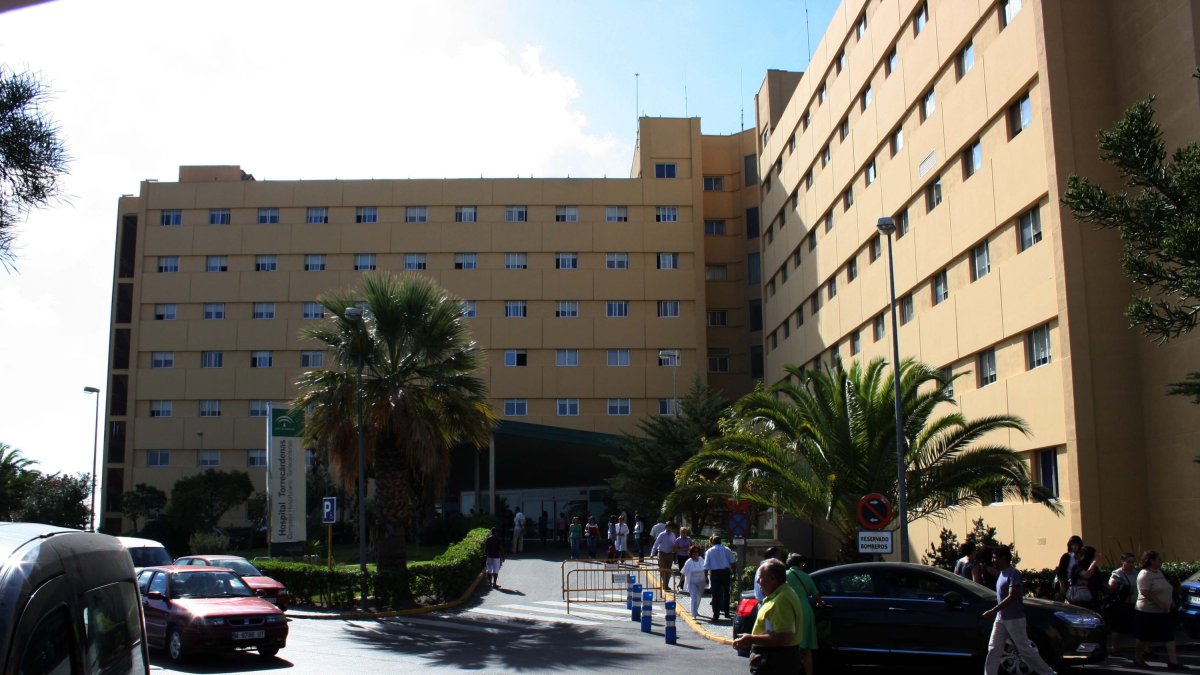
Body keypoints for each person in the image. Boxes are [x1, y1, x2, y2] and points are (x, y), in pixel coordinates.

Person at [982, 546, 1056, 675]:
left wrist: (993, 610)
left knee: (1024, 649)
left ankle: (1047, 673)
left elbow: (1012, 596)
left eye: (995, 557)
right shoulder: (1001, 573)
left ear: (1003, 558)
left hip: (1014, 618)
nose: (993, 560)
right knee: (994, 648)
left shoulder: (1014, 573)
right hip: (1001, 618)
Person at [732, 559, 803, 674]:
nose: (758, 582)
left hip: (776, 661)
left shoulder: (781, 600)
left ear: (772, 579)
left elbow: (784, 637)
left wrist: (750, 639)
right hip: (775, 659)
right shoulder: (780, 594)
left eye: (760, 577)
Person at [1134, 549, 1188, 670]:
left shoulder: (1158, 572)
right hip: (1147, 611)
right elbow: (1144, 591)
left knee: (1169, 636)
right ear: (1151, 561)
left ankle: (1173, 662)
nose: (1161, 561)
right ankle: (1138, 658)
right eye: (1159, 559)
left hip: (1164, 611)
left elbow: (1165, 589)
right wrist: (1160, 603)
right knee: (1143, 636)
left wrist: (1171, 602)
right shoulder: (1144, 574)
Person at [785, 553, 822, 675]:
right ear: (800, 564)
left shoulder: (784, 576)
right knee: (806, 649)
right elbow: (817, 597)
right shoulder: (806, 577)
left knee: (790, 646)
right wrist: (820, 603)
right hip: (805, 611)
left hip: (788, 611)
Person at [1105, 552, 1138, 658]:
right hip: (1121, 604)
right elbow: (1111, 585)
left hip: (1134, 603)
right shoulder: (1117, 573)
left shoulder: (1136, 573)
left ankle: (1144, 650)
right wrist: (1123, 588)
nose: (1131, 564)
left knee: (1138, 627)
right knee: (1117, 627)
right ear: (1122, 562)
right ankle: (1115, 648)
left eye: (1133, 562)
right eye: (1128, 562)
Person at [704, 535, 736, 621]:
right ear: (720, 542)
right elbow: (733, 562)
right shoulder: (727, 550)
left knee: (715, 595)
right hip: (725, 573)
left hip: (714, 574)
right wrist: (734, 574)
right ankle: (727, 613)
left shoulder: (709, 551)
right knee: (726, 593)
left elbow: (706, 565)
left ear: (712, 542)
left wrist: (705, 577)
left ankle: (716, 615)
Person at [1066, 545, 1102, 610]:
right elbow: (1086, 575)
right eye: (1094, 556)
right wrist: (1095, 562)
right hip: (1080, 599)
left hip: (1093, 599)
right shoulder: (1077, 566)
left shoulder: (1094, 568)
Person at [680, 545, 708, 620]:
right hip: (692, 582)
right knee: (693, 598)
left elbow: (706, 569)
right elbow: (684, 573)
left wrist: (706, 578)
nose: (695, 553)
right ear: (691, 553)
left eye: (696, 552)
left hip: (701, 582)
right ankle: (693, 614)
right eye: (693, 552)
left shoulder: (701, 559)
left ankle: (696, 610)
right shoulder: (689, 562)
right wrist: (680, 583)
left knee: (699, 598)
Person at [651, 521, 678, 591]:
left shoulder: (673, 535)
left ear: (672, 528)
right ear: (665, 527)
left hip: (670, 554)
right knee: (663, 569)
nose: (669, 529)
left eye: (670, 527)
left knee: (668, 570)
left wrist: (676, 550)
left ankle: (666, 585)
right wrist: (652, 553)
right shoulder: (661, 535)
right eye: (668, 527)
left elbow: (674, 544)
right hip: (662, 553)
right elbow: (656, 544)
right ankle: (665, 584)